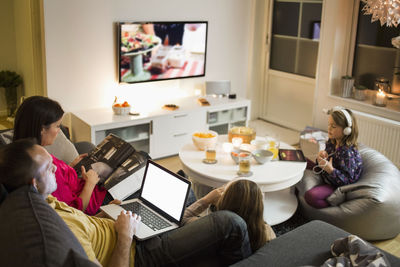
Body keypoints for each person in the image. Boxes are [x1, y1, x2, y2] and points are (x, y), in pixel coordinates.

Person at [0, 139, 252, 267]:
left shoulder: (46, 200)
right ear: (34, 182)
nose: (56, 166)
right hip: (138, 253)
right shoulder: (61, 232)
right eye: (48, 167)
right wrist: (124, 235)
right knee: (230, 223)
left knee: (180, 192)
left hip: (125, 227)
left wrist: (105, 213)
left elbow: (84, 220)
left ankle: (187, 221)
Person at [13, 96, 108, 215]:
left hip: (82, 183)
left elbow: (60, 182)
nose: (59, 131)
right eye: (57, 126)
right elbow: (75, 211)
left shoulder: (29, 153)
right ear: (42, 129)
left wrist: (70, 167)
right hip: (93, 199)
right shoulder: (42, 168)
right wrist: (90, 183)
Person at [183, 179, 276, 252]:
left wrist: (207, 200)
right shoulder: (266, 232)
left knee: (189, 193)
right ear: (259, 207)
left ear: (224, 201)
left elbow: (183, 219)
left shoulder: (210, 227)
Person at [304, 106, 363, 209]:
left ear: (347, 130)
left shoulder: (347, 153)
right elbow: (325, 162)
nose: (329, 128)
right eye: (329, 124)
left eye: (334, 126)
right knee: (300, 159)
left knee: (311, 196)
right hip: (325, 173)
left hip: (336, 184)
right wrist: (320, 158)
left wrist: (331, 170)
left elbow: (348, 181)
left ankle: (334, 206)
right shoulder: (332, 141)